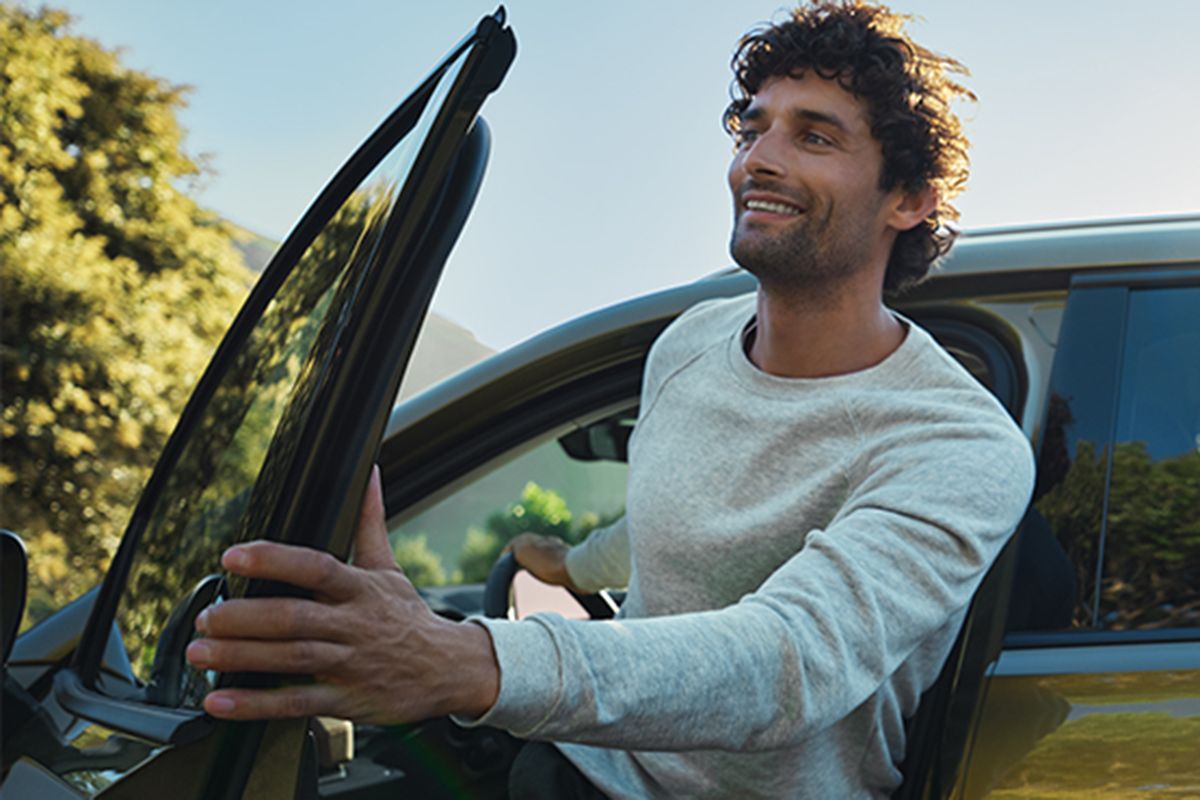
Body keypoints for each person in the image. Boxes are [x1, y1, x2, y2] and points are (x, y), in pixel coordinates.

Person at [186, 2, 1035, 797]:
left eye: (814, 137)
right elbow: (679, 510)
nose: (758, 160)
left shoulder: (958, 447)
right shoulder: (690, 344)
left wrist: (464, 659)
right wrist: (565, 566)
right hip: (586, 770)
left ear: (909, 199)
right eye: (753, 127)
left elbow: (790, 661)